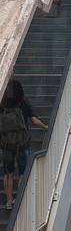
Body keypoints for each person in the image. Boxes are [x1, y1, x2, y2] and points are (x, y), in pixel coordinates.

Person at [1, 80, 48, 209]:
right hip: (22, 143)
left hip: (5, 144)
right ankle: (20, 200)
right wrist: (45, 127)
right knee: (23, 172)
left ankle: (9, 201)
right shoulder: (24, 103)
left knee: (8, 173)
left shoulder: (2, 103)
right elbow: (34, 121)